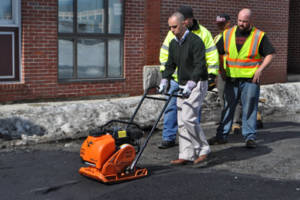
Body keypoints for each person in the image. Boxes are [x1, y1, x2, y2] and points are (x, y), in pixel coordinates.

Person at [208, 8, 275, 148]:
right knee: (227, 107)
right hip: (231, 79)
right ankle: (221, 136)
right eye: (239, 20)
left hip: (250, 80)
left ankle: (249, 137)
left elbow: (270, 54)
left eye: (245, 21)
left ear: (250, 21)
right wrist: (221, 70)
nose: (241, 23)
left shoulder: (259, 35)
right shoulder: (227, 34)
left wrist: (260, 70)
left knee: (250, 108)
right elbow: (217, 53)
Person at [158, 5, 219, 149]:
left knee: (192, 112)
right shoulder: (172, 33)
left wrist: (211, 75)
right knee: (171, 109)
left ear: (190, 19)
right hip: (175, 78)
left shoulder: (202, 34)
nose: (181, 24)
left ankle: (195, 143)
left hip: (194, 80)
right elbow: (166, 54)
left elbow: (211, 55)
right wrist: (164, 77)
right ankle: (169, 138)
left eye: (185, 21)